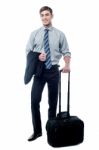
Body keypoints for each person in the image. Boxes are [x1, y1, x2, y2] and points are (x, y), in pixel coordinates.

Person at [26, 6, 71, 141]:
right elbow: (28, 52)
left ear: (52, 16)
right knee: (34, 101)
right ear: (40, 17)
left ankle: (51, 131)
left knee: (52, 103)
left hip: (53, 71)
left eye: (47, 14)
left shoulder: (60, 34)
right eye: (42, 15)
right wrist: (37, 56)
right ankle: (37, 131)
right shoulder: (34, 34)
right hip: (39, 71)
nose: (44, 17)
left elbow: (66, 51)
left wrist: (67, 65)